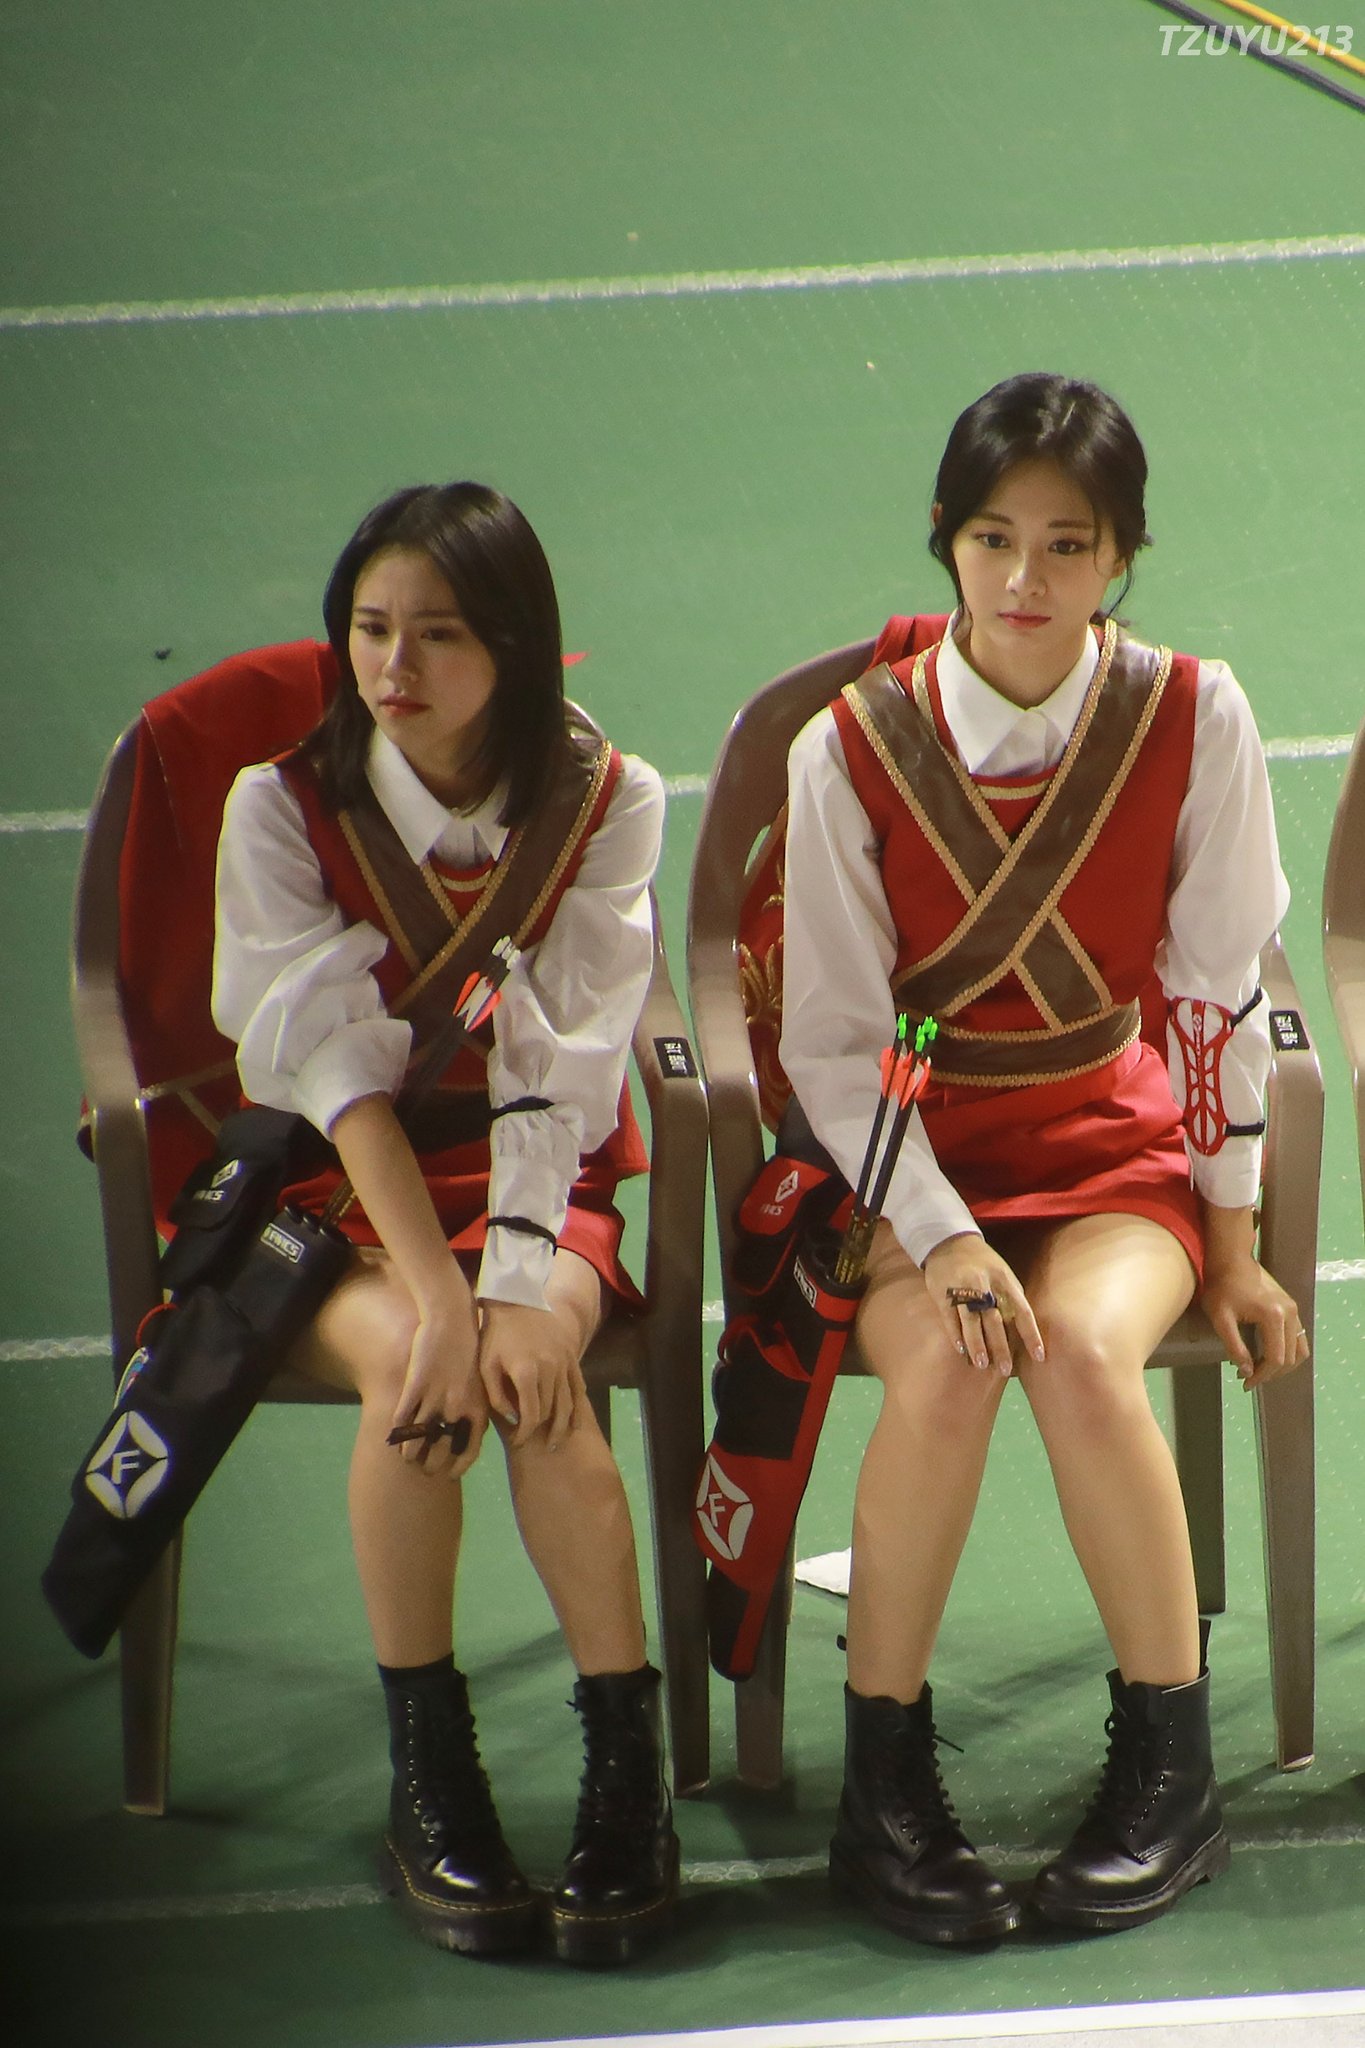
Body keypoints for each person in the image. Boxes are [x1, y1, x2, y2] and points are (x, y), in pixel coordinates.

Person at [776, 373, 1308, 1944]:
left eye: (1068, 545)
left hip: (1109, 1141)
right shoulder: (846, 748)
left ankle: (1168, 1774)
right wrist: (941, 1233)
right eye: (991, 537)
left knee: (1078, 1350)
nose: (1024, 578)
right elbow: (830, 1046)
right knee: (953, 1366)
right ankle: (882, 1796)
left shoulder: (1194, 712)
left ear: (1121, 555)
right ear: (943, 537)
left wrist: (1231, 1242)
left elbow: (1216, 992)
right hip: (907, 1159)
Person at [211, 482, 677, 1967]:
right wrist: (447, 1300)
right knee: (414, 1383)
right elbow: (337, 1079)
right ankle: (434, 1771)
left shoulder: (610, 798)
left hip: (545, 1172)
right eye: (369, 628)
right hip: (340, 1186)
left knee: (545, 1393)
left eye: (438, 635)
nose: (392, 666)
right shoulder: (279, 807)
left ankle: (627, 1777)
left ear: (517, 647)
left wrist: (521, 1291)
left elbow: (566, 1066)